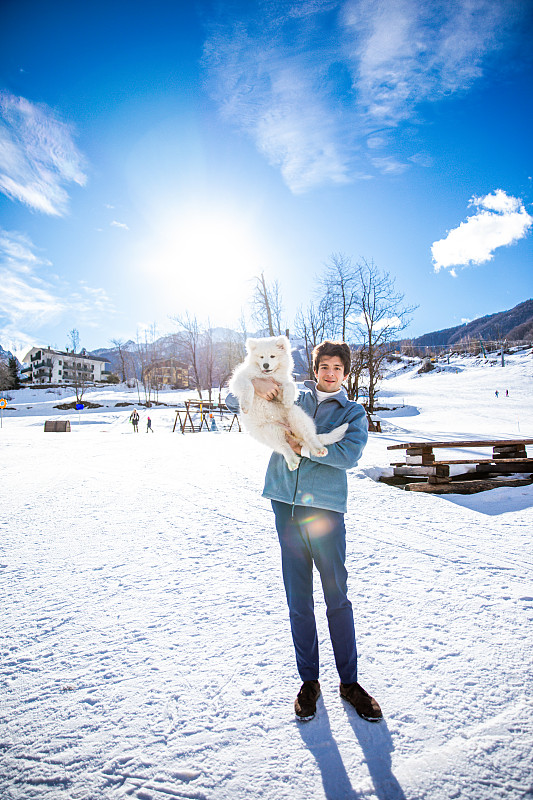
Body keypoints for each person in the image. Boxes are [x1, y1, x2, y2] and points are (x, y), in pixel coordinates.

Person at [227, 340, 382, 723]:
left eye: (337, 368)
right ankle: (309, 682)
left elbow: (348, 455)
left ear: (345, 373)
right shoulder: (287, 389)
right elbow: (235, 405)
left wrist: (304, 446)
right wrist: (254, 385)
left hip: (326, 510)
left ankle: (350, 683)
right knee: (299, 599)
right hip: (286, 505)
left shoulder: (353, 411)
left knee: (336, 597)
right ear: (315, 370)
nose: (330, 373)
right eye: (324, 366)